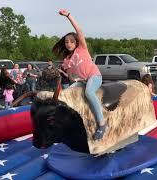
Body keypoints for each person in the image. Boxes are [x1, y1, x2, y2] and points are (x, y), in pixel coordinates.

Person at [52, 9, 105, 140]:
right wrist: (75, 79)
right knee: (68, 93)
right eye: (66, 42)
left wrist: (69, 16)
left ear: (76, 42)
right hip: (83, 80)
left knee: (89, 93)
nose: (68, 44)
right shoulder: (67, 60)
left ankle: (102, 124)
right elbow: (70, 76)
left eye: (71, 41)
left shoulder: (82, 48)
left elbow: (79, 30)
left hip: (94, 76)